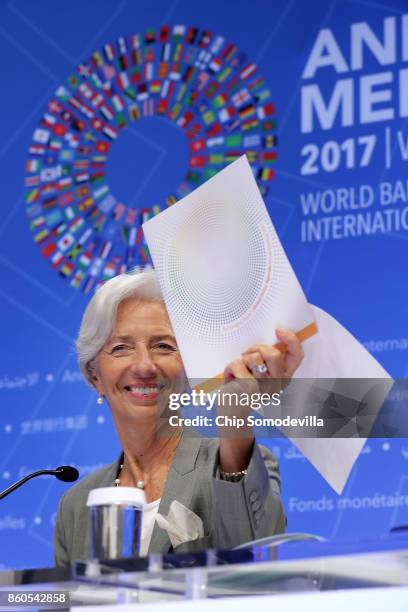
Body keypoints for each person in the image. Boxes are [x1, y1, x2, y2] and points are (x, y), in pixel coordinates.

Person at [54, 270, 304, 566]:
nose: (145, 365)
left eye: (163, 346)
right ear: (95, 376)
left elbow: (256, 567)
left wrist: (234, 414)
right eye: (121, 347)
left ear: (186, 371)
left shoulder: (230, 462)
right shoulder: (76, 505)